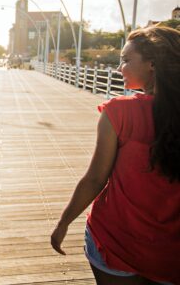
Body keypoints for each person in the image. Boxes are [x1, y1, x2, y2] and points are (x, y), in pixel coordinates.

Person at [50, 26, 180, 284]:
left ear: (152, 64)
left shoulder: (119, 112)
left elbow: (95, 179)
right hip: (171, 252)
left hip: (115, 243)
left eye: (126, 60)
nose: (119, 68)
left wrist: (63, 222)